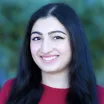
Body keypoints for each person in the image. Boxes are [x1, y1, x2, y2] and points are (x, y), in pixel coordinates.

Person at [0, 3, 104, 104]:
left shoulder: (100, 96)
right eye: (37, 38)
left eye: (57, 37)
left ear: (75, 41)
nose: (45, 49)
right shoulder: (11, 90)